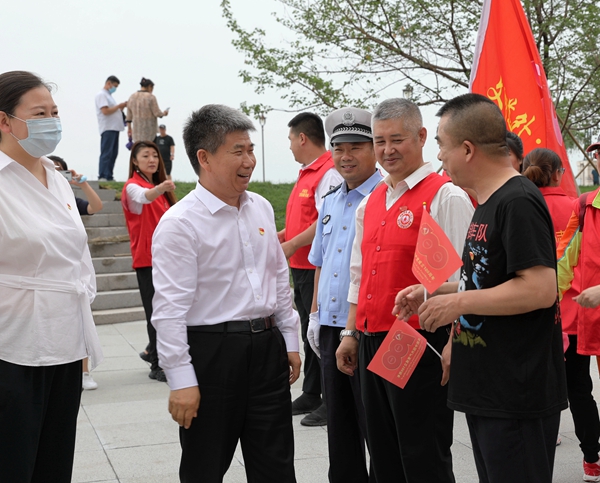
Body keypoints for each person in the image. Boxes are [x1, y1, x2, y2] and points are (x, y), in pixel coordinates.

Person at [395, 93, 568, 483]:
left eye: (442, 144)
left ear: (468, 149)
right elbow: (487, 279)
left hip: (516, 393)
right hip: (489, 388)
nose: (439, 156)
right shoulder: (488, 201)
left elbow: (539, 289)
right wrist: (433, 293)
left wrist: (458, 303)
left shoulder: (518, 201)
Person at [151, 104, 301, 482]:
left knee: (276, 465)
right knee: (205, 465)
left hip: (266, 350)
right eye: (238, 151)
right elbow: (169, 310)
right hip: (212, 355)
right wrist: (181, 380)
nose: (249, 160)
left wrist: (290, 339)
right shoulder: (180, 224)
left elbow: (277, 277)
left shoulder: (260, 208)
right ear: (204, 158)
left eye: (250, 150)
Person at [336, 98, 473, 482]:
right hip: (371, 338)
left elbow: (467, 280)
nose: (387, 150)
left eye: (397, 140)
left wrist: (455, 343)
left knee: (421, 452)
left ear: (422, 136)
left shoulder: (445, 196)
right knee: (383, 452)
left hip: (417, 339)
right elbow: (358, 275)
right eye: (380, 141)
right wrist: (350, 333)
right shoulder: (371, 202)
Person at [0, 70, 103, 482]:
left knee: (54, 462)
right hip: (13, 345)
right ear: (4, 121)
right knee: (13, 462)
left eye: (55, 112)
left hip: (64, 342)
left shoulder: (57, 179)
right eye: (39, 113)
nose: (52, 121)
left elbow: (76, 257)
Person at [307, 107, 382, 482]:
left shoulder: (387, 197)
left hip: (369, 329)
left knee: (378, 428)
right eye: (339, 148)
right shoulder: (331, 200)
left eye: (356, 147)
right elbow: (320, 263)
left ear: (375, 150)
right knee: (339, 428)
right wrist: (314, 315)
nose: (346, 156)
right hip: (330, 326)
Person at [281, 112, 343, 426]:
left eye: (291, 139)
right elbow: (306, 217)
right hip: (301, 265)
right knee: (309, 330)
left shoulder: (328, 173)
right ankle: (311, 391)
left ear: (303, 138)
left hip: (314, 265)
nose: (290, 146)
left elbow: (326, 221)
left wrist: (292, 244)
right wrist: (284, 235)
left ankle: (332, 400)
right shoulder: (308, 172)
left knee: (320, 331)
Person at [556, 136, 600, 481]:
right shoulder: (585, 207)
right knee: (579, 388)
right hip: (585, 321)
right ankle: (592, 457)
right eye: (599, 154)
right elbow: (564, 262)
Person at [121, 141, 176, 383]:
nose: (152, 159)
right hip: (148, 260)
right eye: (145, 156)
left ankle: (150, 350)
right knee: (156, 313)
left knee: (169, 311)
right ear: (135, 161)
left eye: (155, 155)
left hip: (168, 259)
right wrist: (161, 188)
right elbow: (143, 198)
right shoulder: (133, 187)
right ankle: (157, 364)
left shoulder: (159, 190)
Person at [50, 155, 104, 391]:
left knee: (79, 324)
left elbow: (96, 207)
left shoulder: (69, 199)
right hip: (49, 270)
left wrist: (82, 184)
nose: (54, 173)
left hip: (73, 269)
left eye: (59, 170)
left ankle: (83, 372)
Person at [95, 75, 127, 181]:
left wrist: (120, 108)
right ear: (109, 83)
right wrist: (118, 106)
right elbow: (105, 111)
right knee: (107, 152)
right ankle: (103, 175)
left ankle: (109, 175)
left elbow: (113, 110)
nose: (115, 88)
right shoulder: (101, 95)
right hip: (108, 128)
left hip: (115, 128)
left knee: (113, 153)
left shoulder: (109, 96)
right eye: (115, 86)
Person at [126, 77, 169, 143]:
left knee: (139, 148)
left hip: (137, 132)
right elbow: (157, 113)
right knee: (150, 148)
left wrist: (129, 128)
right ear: (150, 86)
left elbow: (129, 116)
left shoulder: (132, 97)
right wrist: (164, 113)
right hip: (149, 132)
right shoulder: (151, 97)